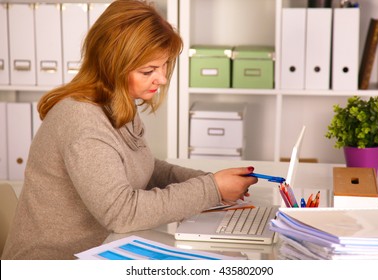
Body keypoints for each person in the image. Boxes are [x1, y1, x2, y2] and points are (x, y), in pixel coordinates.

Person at [2, 0, 257, 260]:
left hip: (99, 252)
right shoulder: (82, 121)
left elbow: (145, 167)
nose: (162, 78)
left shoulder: (117, 103)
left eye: (165, 65)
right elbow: (122, 213)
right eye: (149, 70)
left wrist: (212, 183)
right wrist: (210, 188)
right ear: (113, 66)